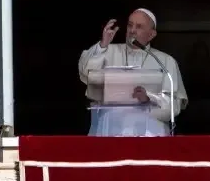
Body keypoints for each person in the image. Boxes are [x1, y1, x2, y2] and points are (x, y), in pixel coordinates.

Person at [78, 8, 188, 136]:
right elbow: (86, 73)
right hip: (111, 132)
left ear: (151, 34)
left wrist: (149, 98)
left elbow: (174, 107)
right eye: (130, 25)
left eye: (139, 26)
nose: (132, 30)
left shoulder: (165, 61)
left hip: (150, 135)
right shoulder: (107, 51)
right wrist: (103, 44)